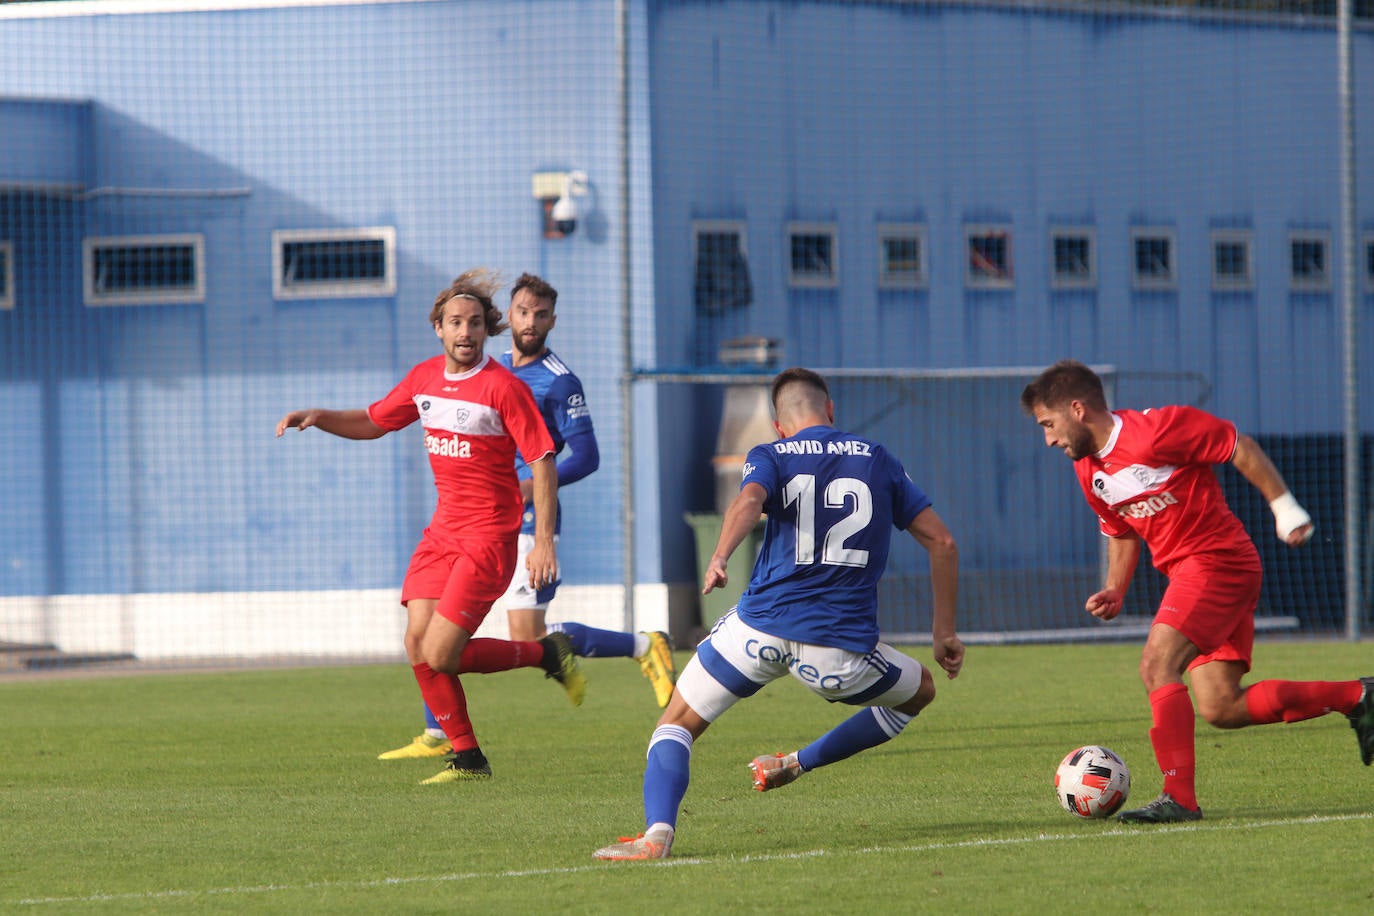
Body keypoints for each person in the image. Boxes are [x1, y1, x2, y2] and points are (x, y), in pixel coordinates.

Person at [593, 367, 963, 860]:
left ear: (779, 424)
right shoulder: (878, 459)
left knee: (676, 722)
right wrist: (943, 634)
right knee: (919, 692)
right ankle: (796, 763)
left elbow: (749, 499)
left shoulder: (771, 454)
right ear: (831, 411)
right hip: (835, 653)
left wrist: (721, 555)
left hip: (757, 630)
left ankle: (657, 835)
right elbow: (942, 541)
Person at [1020, 359, 1374, 824]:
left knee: (1156, 665)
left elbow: (1237, 446)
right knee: (1222, 706)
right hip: (1198, 572)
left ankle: (1179, 799)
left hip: (1217, 563)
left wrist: (1284, 506)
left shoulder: (1158, 430)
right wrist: (1115, 587)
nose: (1048, 438)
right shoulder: (1090, 470)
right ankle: (1358, 697)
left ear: (1078, 409)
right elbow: (1120, 529)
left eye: (1049, 424)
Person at [276, 268, 587, 784]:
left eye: (473, 324)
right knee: (417, 645)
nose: (465, 332)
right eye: (454, 323)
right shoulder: (424, 379)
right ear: (438, 328)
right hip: (441, 534)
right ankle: (467, 757)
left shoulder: (504, 389)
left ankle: (544, 653)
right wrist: (320, 416)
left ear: (487, 330)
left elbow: (543, 461)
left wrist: (543, 544)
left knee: (443, 653)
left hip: (488, 537)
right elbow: (376, 420)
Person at [378, 273, 676, 762]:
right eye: (522, 312)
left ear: (552, 320)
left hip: (525, 518)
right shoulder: (489, 371)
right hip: (475, 521)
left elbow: (585, 456)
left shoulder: (558, 380)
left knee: (523, 636)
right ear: (507, 318)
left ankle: (644, 644)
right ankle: (439, 731)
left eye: (540, 314)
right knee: (431, 626)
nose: (530, 321)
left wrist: (526, 498)